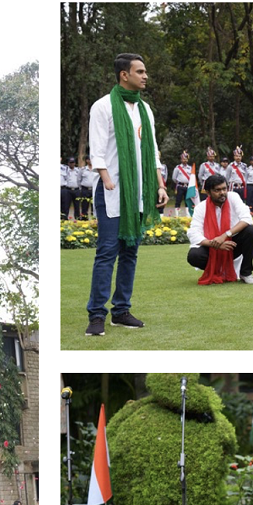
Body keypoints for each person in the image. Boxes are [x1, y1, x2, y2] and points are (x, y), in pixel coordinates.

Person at [84, 53, 168, 337]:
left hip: (138, 194)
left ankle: (121, 311)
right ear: (124, 74)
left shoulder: (145, 110)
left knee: (130, 253)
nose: (145, 76)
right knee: (107, 252)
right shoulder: (104, 106)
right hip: (111, 191)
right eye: (140, 71)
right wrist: (106, 178)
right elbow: (96, 149)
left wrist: (160, 185)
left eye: (145, 72)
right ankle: (96, 315)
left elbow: (153, 150)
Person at [187, 174, 253, 285]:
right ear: (208, 192)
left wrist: (225, 236)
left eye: (224, 189)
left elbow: (246, 218)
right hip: (213, 247)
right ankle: (218, 270)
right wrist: (215, 244)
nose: (222, 193)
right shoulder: (201, 208)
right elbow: (193, 233)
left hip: (233, 244)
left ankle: (246, 273)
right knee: (194, 256)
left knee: (251, 231)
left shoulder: (233, 197)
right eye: (217, 190)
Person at [170, 150, 197, 218]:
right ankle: (177, 214)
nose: (184, 160)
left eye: (186, 159)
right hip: (180, 186)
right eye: (183, 159)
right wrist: (179, 182)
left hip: (188, 187)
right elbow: (174, 178)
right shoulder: (178, 168)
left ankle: (188, 215)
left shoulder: (190, 168)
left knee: (187, 200)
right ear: (181, 159)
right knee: (178, 200)